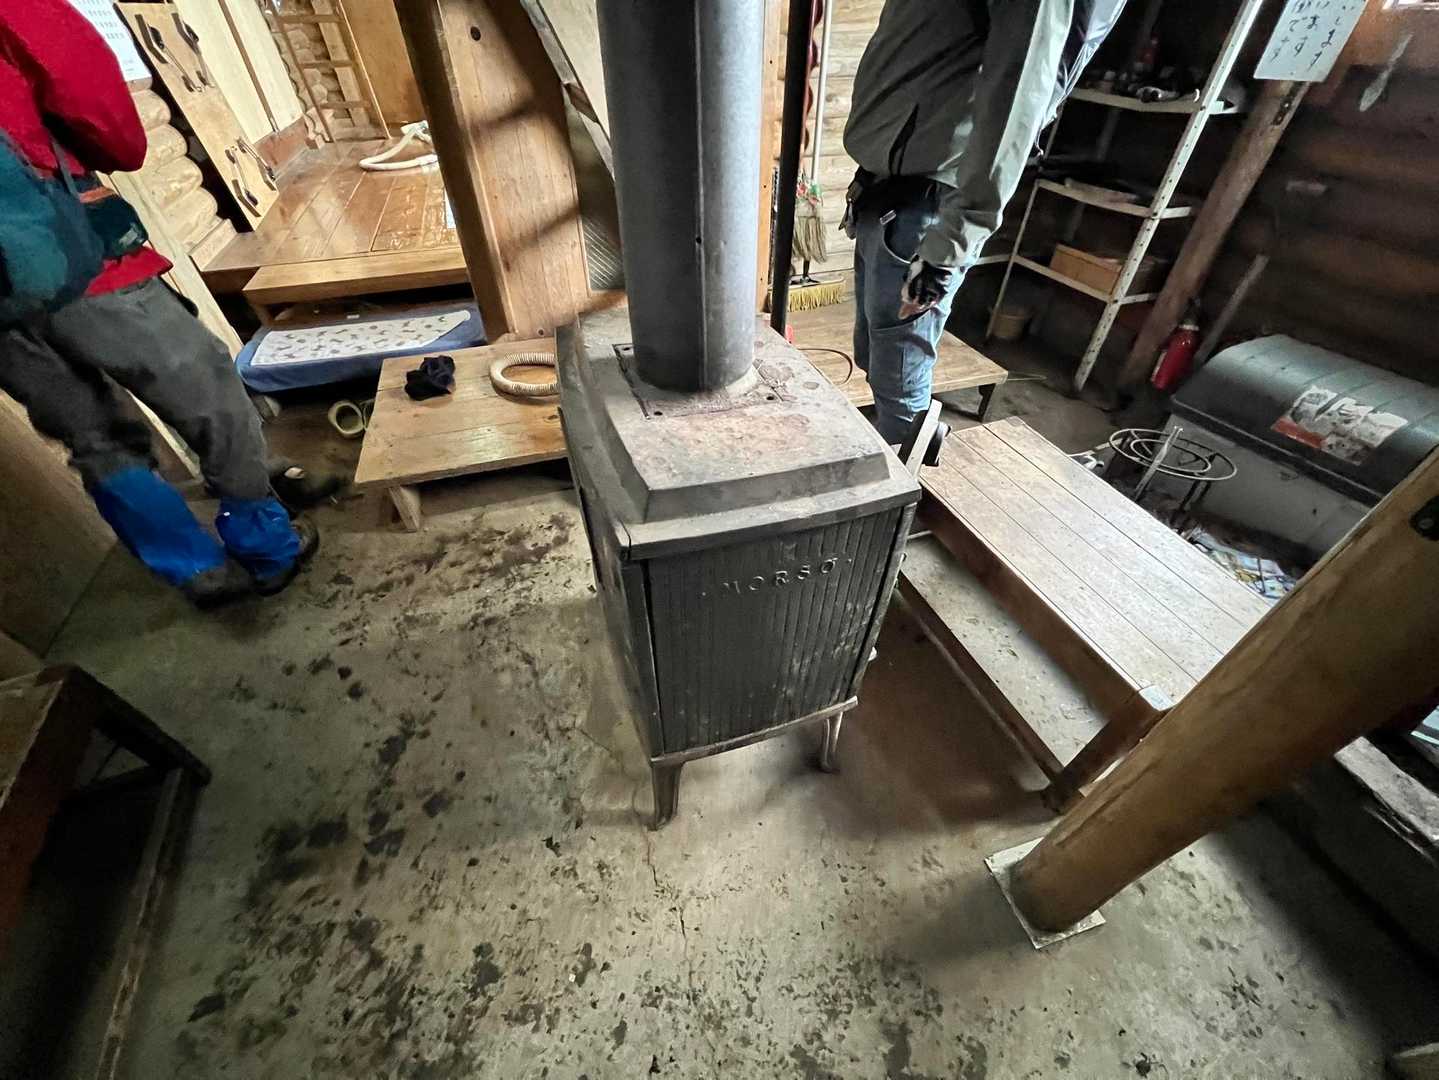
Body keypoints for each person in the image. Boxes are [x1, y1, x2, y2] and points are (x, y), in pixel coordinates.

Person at [0, 0, 323, 607]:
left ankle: (199, 573)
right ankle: (266, 545)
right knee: (208, 392)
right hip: (71, 257)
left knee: (93, 438)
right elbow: (111, 128)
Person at [842, 0, 1127, 444]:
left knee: (899, 382)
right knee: (876, 359)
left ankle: (905, 477)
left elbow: (1016, 100)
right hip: (885, 192)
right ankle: (899, 449)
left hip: (925, 206)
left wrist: (949, 246)